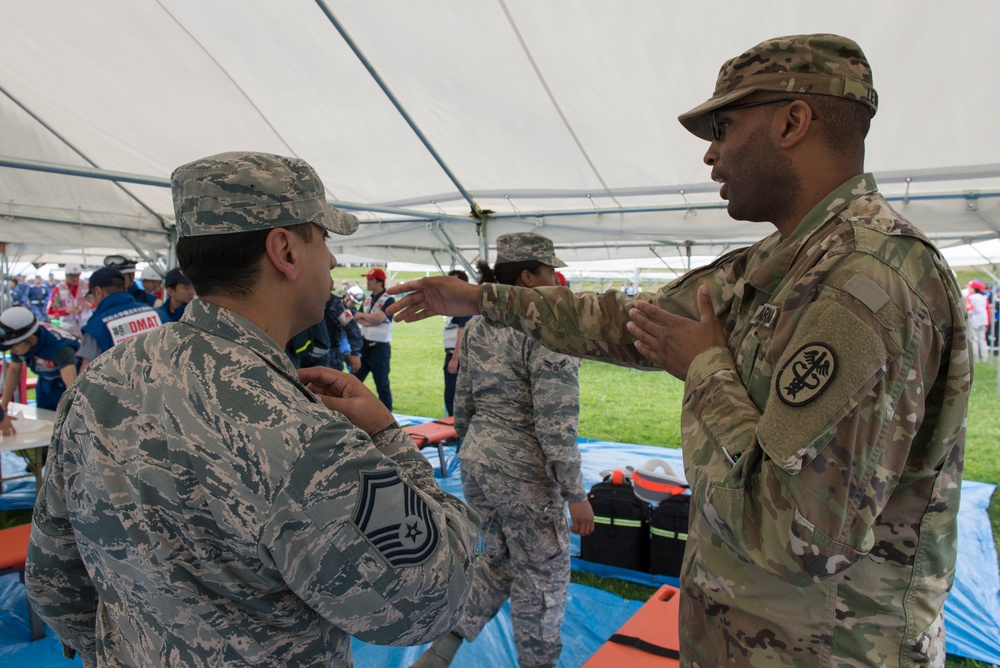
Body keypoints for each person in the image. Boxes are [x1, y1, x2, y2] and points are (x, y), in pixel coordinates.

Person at [387, 34, 970, 667]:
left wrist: (704, 368)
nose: (711, 156)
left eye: (723, 128)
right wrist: (482, 300)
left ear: (793, 121)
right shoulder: (783, 263)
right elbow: (625, 319)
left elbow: (799, 533)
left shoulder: (866, 284)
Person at [26, 151, 481, 668]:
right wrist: (385, 434)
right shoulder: (298, 430)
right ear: (285, 250)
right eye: (323, 239)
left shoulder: (102, 380)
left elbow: (54, 585)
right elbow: (433, 597)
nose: (332, 261)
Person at [413, 233, 594, 668]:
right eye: (550, 271)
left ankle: (446, 644)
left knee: (497, 560)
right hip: (524, 475)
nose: (557, 279)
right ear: (529, 277)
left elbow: (463, 405)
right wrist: (577, 494)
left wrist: (472, 455)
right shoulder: (546, 328)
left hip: (478, 464)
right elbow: (556, 423)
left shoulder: (478, 326)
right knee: (542, 580)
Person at [76, 266, 162, 369]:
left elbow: (85, 377)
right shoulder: (158, 314)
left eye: (92, 296)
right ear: (125, 287)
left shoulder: (97, 328)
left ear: (98, 292)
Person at [0, 306, 78, 412]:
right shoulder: (20, 342)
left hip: (69, 386)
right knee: (44, 419)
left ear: (31, 339)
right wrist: (4, 405)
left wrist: (72, 412)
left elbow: (72, 386)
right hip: (46, 385)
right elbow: (14, 370)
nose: (13, 351)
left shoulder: (60, 348)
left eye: (14, 346)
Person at [354, 267, 395, 411]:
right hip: (363, 345)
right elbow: (357, 318)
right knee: (355, 381)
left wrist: (365, 317)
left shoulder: (389, 299)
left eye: (370, 279)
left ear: (380, 282)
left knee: (382, 385)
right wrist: (370, 319)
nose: (367, 282)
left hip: (380, 348)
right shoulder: (368, 298)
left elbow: (379, 318)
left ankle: (387, 416)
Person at [442, 270, 472, 417]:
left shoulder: (462, 305)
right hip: (454, 354)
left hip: (456, 355)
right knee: (451, 395)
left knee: (452, 396)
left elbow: (462, 332)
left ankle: (455, 431)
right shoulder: (456, 305)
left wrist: (455, 358)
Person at [46, 262, 92, 338]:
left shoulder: (87, 286)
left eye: (77, 275)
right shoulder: (58, 289)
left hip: (86, 323)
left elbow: (98, 302)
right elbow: (50, 311)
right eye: (71, 276)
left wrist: (89, 305)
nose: (75, 278)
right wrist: (66, 311)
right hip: (67, 326)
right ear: (66, 275)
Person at [324, 292, 363, 373]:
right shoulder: (302, 299)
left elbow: (352, 328)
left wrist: (355, 353)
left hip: (330, 356)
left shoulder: (336, 304)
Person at [966, 279, 991, 363]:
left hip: (974, 321)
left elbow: (969, 309)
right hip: (983, 321)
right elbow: (987, 310)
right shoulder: (984, 298)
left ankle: (976, 359)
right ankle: (985, 358)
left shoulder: (970, 298)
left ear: (974, 289)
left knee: (974, 340)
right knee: (982, 340)